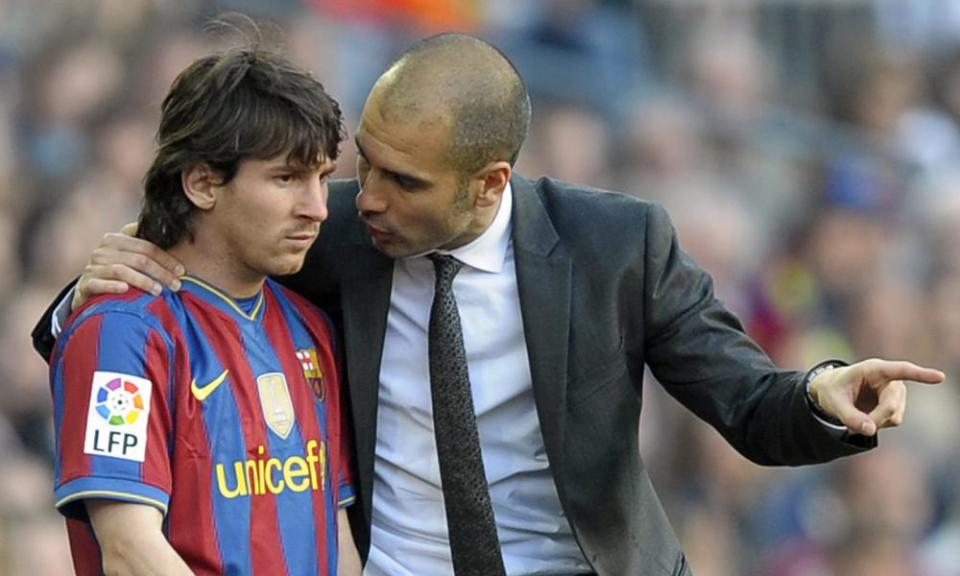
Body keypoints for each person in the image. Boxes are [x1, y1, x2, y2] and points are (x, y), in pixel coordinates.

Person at [33, 33, 945, 576]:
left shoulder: (615, 246)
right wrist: (95, 278)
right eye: (364, 166)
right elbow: (203, 237)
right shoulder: (333, 237)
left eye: (402, 180)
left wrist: (823, 391)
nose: (362, 198)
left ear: (488, 183)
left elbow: (745, 400)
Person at [44, 44, 362, 576]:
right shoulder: (121, 334)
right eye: (286, 178)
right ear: (202, 182)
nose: (318, 208)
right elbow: (128, 552)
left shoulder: (311, 330)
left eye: (323, 178)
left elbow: (337, 538)